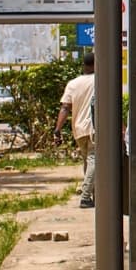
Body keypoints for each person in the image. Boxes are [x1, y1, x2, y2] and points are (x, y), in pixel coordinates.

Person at [56, 53, 97, 209]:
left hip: (78, 129)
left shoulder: (73, 83)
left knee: (88, 162)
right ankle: (86, 197)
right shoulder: (99, 80)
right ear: (96, 64)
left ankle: (94, 195)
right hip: (94, 127)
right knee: (94, 161)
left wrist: (57, 130)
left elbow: (65, 107)